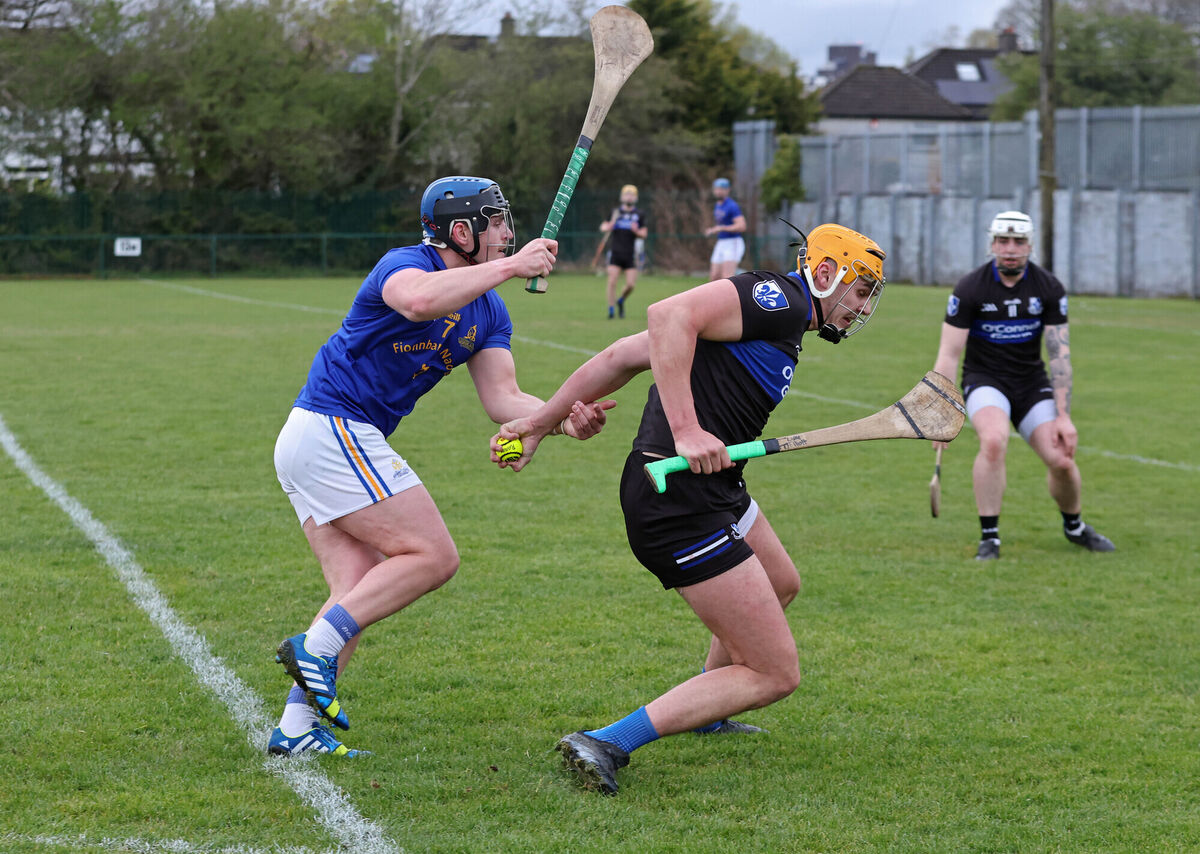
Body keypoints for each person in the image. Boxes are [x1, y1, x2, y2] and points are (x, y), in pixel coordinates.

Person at [491, 224, 887, 794]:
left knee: (781, 581)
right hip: (677, 497)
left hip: (715, 487)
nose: (863, 306)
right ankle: (606, 741)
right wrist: (686, 430)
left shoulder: (786, 320)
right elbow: (667, 316)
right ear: (826, 273)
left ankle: (710, 710)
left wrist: (537, 424)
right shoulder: (779, 299)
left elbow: (623, 355)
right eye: (861, 290)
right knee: (774, 673)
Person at [268, 176, 612, 757]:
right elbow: (419, 302)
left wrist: (557, 420)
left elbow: (503, 398)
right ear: (461, 231)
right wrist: (512, 267)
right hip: (332, 428)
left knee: (357, 588)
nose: (508, 234)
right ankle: (314, 648)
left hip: (324, 439)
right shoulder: (404, 265)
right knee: (434, 555)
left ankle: (295, 728)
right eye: (496, 223)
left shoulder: (490, 310)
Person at [931, 210, 1114, 560]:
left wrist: (1064, 417)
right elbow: (949, 354)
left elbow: (1059, 356)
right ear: (992, 244)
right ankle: (990, 538)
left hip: (1031, 384)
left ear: (1030, 245)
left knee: (1062, 460)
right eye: (1003, 241)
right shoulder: (970, 288)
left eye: (1018, 241)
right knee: (993, 441)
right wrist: (941, 414)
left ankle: (1075, 527)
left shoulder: (1048, 287)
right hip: (985, 380)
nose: (1010, 249)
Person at [599, 184, 649, 319]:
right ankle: (611, 309)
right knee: (612, 281)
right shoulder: (615, 213)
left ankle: (620, 300)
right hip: (615, 253)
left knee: (631, 285)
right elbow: (603, 227)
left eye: (632, 195)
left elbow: (644, 234)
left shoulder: (639, 215)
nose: (629, 197)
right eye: (627, 194)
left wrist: (636, 231)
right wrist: (609, 226)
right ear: (622, 197)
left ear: (636, 198)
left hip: (630, 254)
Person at [704, 177, 746, 281]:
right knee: (714, 277)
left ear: (728, 190)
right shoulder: (718, 205)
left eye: (721, 189)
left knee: (727, 278)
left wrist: (722, 228)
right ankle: (741, 274)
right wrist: (713, 230)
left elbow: (742, 226)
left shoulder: (732, 206)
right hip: (721, 242)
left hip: (733, 243)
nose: (718, 192)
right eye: (716, 189)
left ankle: (744, 278)